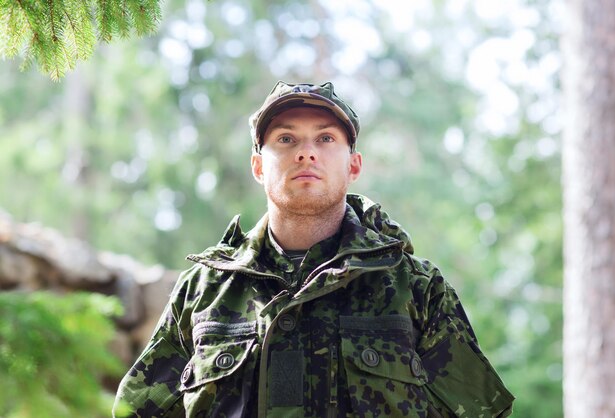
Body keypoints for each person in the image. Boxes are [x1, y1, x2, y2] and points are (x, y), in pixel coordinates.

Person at [113, 81, 515, 417]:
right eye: (286, 139)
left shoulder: (414, 288)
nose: (306, 152)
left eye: (325, 138)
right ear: (258, 167)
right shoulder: (203, 292)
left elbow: (481, 411)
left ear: (353, 165)